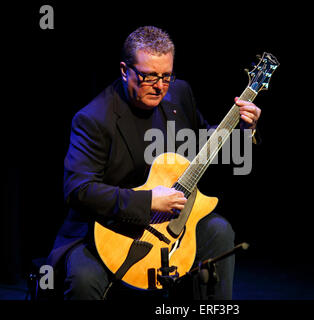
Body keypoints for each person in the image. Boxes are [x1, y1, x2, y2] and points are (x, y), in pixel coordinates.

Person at [47, 26, 261, 300]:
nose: (159, 86)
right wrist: (147, 202)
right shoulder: (94, 119)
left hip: (170, 223)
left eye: (166, 76)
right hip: (104, 227)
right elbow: (79, 190)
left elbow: (203, 145)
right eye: (149, 76)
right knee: (84, 279)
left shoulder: (178, 94)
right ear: (125, 71)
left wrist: (243, 129)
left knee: (218, 231)